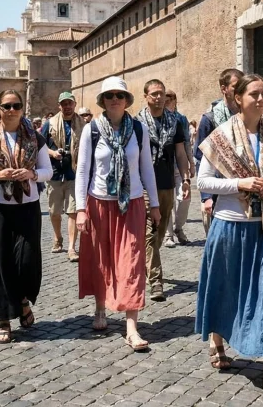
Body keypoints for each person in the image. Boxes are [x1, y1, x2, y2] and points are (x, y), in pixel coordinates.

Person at [196, 74, 263, 404]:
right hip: (230, 224)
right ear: (239, 98)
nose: (261, 99)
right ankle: (218, 340)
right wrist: (240, 184)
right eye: (254, 94)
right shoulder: (220, 136)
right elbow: (202, 182)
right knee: (226, 287)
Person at [74, 77, 160, 351]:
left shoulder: (138, 130)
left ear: (126, 100)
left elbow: (147, 168)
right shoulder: (92, 130)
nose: (114, 99)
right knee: (101, 259)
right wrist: (79, 209)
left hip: (131, 203)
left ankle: (131, 327)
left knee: (131, 261)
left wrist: (154, 204)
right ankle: (100, 307)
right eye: (109, 95)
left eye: (119, 95)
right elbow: (83, 171)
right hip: (98, 203)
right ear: (102, 100)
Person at [0, 89, 53, 344]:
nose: (12, 110)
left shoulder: (35, 139)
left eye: (16, 105)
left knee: (26, 261)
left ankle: (23, 301)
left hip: (27, 207)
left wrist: (32, 175)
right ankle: (4, 320)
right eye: (7, 106)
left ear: (22, 109)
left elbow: (47, 170)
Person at [137, 80, 191, 301]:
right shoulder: (137, 123)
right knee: (149, 232)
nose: (159, 98)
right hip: (143, 186)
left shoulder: (174, 122)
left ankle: (145, 263)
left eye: (162, 94)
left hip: (167, 184)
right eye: (154, 94)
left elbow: (180, 153)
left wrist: (185, 178)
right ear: (146, 97)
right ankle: (156, 281)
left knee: (158, 234)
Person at [194, 68, 244, 233]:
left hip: (244, 188)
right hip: (217, 189)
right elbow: (200, 158)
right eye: (236, 86)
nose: (240, 89)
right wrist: (206, 197)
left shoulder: (248, 116)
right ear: (224, 89)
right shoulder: (210, 119)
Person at [41, 91, 83, 262]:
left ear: (74, 104)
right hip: (55, 174)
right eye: (64, 104)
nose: (67, 106)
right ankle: (58, 237)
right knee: (54, 212)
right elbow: (40, 145)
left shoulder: (83, 124)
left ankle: (72, 248)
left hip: (74, 174)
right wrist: (52, 153)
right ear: (59, 106)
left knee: (73, 212)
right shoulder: (49, 124)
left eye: (70, 103)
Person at [164, 89, 194, 248]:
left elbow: (187, 143)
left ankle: (178, 227)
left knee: (184, 198)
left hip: (180, 167)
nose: (168, 101)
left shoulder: (181, 119)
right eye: (165, 99)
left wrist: (192, 163)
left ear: (175, 100)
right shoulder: (160, 118)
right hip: (165, 166)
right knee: (169, 203)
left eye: (170, 99)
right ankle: (168, 235)